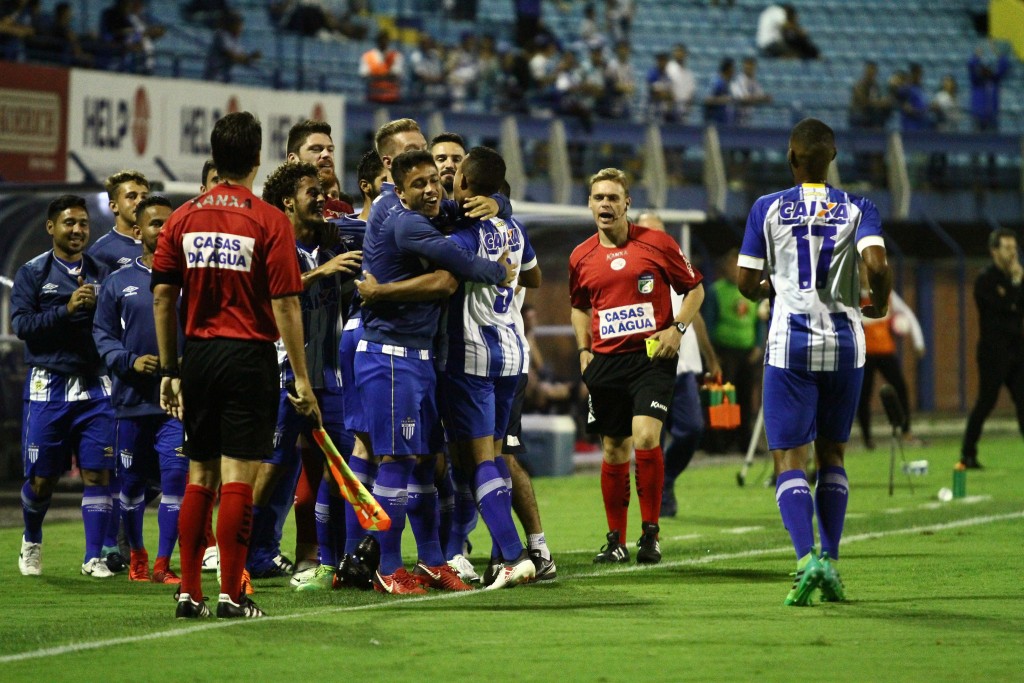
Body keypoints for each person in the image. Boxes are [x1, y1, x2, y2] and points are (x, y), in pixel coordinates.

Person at [152, 111, 319, 619]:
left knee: (198, 476)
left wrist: (169, 369)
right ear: (256, 158)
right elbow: (287, 304)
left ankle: (187, 593)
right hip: (249, 357)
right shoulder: (268, 220)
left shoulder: (182, 217)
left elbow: (162, 296)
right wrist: (303, 379)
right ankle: (230, 593)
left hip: (198, 357)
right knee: (239, 478)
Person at [736, 117, 892, 606]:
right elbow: (877, 265)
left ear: (791, 157)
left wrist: (773, 288)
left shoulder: (767, 208)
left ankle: (806, 561)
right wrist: (881, 303)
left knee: (788, 459)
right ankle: (833, 559)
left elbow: (745, 279)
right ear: (833, 158)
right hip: (847, 347)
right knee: (834, 456)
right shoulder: (857, 206)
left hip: (791, 347)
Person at [356, 149, 518, 594]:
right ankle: (387, 567)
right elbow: (456, 271)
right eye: (420, 185)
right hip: (391, 356)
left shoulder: (425, 206)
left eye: (435, 181)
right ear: (399, 189)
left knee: (426, 462)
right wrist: (497, 271)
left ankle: (430, 561)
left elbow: (474, 207)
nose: (431, 190)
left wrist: (500, 204)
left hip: (419, 356)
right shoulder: (405, 221)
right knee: (397, 459)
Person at [569, 168, 704, 565]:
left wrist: (677, 329)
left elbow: (694, 288)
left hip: (651, 358)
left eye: (613, 197)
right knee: (613, 448)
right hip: (606, 362)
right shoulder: (581, 256)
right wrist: (583, 350)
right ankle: (615, 539)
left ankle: (650, 534)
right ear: (590, 204)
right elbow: (579, 306)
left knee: (645, 437)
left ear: (627, 203)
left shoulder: (657, 243)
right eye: (599, 198)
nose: (605, 204)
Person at [256, 161, 361, 591]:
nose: (321, 199)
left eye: (322, 192)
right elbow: (266, 297)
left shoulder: (331, 247)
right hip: (283, 374)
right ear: (287, 202)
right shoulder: (273, 245)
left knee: (345, 468)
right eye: (311, 193)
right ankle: (235, 558)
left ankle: (336, 561)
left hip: (330, 378)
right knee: (271, 470)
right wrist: (321, 274)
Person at [439, 148, 541, 589]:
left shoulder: (460, 234)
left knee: (478, 459)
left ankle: (513, 556)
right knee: (495, 456)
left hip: (473, 356)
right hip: (513, 352)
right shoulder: (515, 229)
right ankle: (501, 554)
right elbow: (533, 276)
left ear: (463, 181)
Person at [12, 195, 114, 578]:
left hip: (95, 385)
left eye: (84, 223)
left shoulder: (103, 272)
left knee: (97, 473)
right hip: (48, 387)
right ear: (51, 227)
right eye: (69, 222)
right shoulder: (32, 273)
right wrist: (66, 310)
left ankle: (93, 557)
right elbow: (21, 326)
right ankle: (32, 539)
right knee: (41, 480)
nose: (77, 230)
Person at [92, 194, 185, 584]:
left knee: (176, 481)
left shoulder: (190, 279)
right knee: (130, 484)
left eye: (170, 224)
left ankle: (164, 563)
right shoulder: (118, 282)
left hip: (177, 402)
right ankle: (138, 559)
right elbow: (102, 333)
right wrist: (129, 361)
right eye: (155, 224)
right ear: (138, 231)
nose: (164, 230)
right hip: (132, 400)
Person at [635, 211, 720, 518]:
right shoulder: (632, 268)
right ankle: (654, 506)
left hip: (684, 366)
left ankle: (665, 481)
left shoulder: (677, 264)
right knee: (649, 437)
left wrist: (710, 357)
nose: (655, 238)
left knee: (691, 430)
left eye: (660, 232)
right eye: (648, 232)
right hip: (647, 365)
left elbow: (694, 311)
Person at [960, 228, 1024, 470]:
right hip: (993, 351)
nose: (1012, 253)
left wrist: (1017, 285)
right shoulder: (986, 280)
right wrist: (1015, 287)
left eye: (1014, 248)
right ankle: (967, 453)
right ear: (994, 251)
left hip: (1017, 349)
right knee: (986, 402)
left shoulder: (1017, 278)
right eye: (1006, 248)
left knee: (1023, 401)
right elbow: (1003, 309)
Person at [703, 247, 763, 451]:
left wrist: (757, 345)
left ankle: (744, 442)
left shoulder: (752, 289)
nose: (735, 270)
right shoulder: (715, 291)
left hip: (747, 352)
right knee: (723, 398)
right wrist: (712, 354)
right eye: (732, 265)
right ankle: (720, 442)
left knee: (746, 398)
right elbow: (708, 323)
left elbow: (758, 320)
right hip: (724, 351)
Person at [858, 287, 925, 450]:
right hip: (864, 353)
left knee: (900, 388)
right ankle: (867, 439)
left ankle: (906, 431)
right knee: (863, 395)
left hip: (885, 351)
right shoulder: (853, 294)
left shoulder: (885, 292)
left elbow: (907, 314)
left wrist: (918, 341)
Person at [89, 170, 150, 272]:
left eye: (144, 197)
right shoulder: (101, 252)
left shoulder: (160, 244)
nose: (140, 201)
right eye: (131, 196)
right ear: (114, 206)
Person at [203, 11, 260, 83]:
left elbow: (243, 59)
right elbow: (232, 55)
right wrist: (249, 57)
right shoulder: (221, 35)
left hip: (225, 79)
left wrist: (250, 58)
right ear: (232, 25)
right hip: (213, 78)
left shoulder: (235, 40)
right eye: (239, 26)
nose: (241, 29)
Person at [968, 43, 1011, 132]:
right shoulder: (977, 81)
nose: (986, 69)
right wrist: (977, 56)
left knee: (993, 143)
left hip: (992, 117)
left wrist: (998, 54)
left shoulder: (994, 80)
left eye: (988, 68)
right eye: (983, 67)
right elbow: (971, 65)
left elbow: (1005, 65)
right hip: (978, 116)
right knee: (975, 143)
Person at [360, 31, 403, 104]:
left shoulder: (396, 56)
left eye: (385, 40)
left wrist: (375, 76)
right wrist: (387, 76)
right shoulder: (367, 56)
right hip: (373, 96)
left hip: (392, 97)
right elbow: (365, 76)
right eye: (381, 39)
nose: (383, 42)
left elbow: (395, 76)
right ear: (377, 40)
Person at [730, 56, 772, 127]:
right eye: (748, 65)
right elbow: (743, 99)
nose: (750, 68)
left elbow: (765, 98)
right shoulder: (737, 81)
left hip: (750, 118)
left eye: (752, 65)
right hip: (737, 118)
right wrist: (759, 99)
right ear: (744, 66)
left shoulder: (755, 82)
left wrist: (760, 98)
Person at [665, 43, 696, 124]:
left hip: (683, 111)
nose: (679, 54)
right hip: (670, 110)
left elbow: (691, 92)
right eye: (677, 51)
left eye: (681, 52)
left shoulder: (689, 74)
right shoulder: (669, 68)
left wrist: (687, 107)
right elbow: (666, 87)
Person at [430, 132, 466, 196]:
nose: (449, 165)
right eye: (441, 159)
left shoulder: (482, 204)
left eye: (456, 160)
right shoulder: (415, 204)